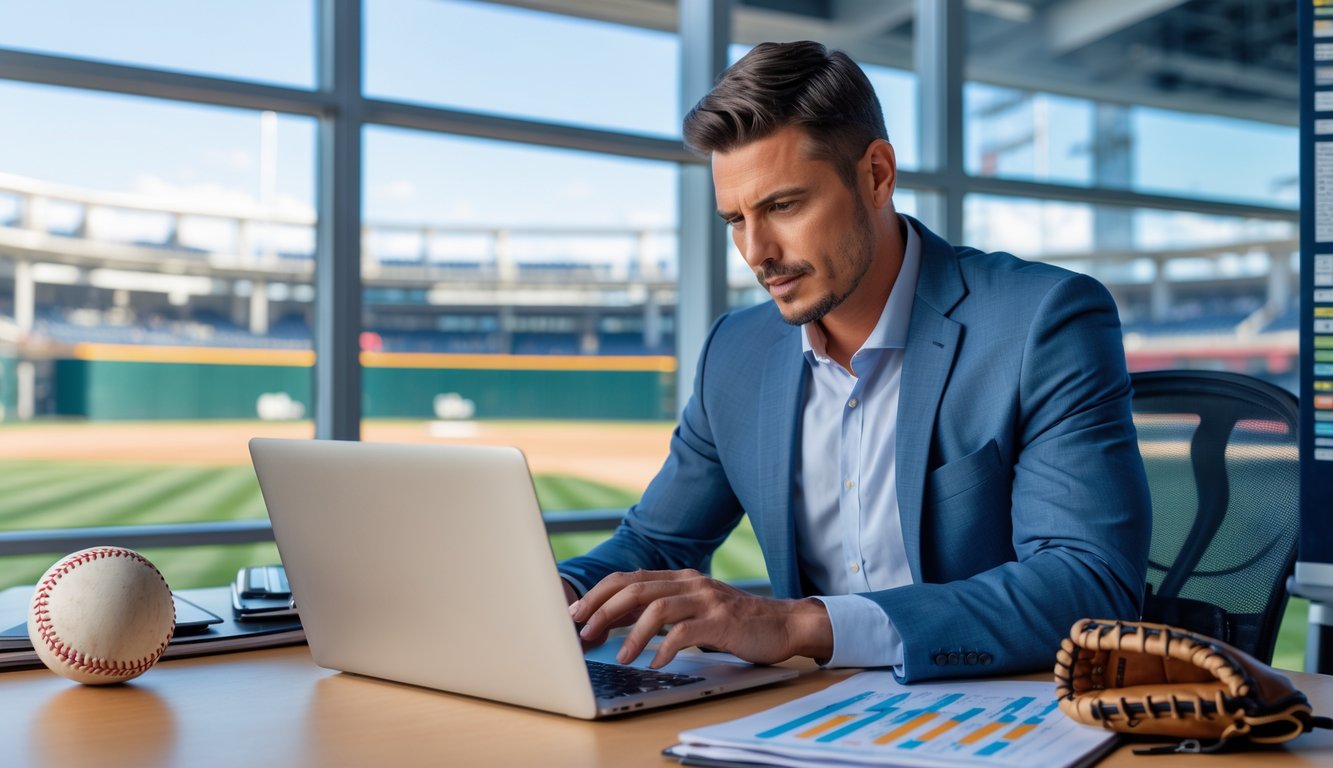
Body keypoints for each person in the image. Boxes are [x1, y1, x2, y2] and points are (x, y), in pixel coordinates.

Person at [560, 40, 1151, 682]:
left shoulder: (1043, 321)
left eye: (783, 206)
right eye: (736, 219)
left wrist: (798, 625)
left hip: (996, 708)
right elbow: (655, 543)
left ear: (876, 175)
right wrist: (561, 595)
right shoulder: (735, 352)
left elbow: (1088, 582)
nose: (756, 252)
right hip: (805, 716)